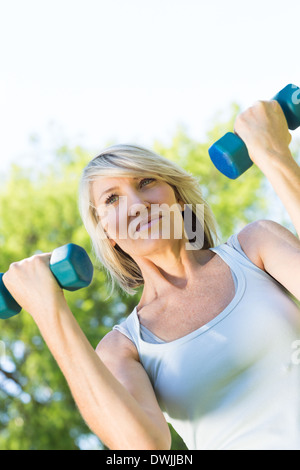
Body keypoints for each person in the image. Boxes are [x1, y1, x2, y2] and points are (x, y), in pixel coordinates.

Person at [3, 99, 300, 450]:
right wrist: (49, 313)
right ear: (107, 234)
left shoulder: (255, 246)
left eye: (146, 182)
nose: (137, 204)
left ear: (176, 196)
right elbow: (143, 450)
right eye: (112, 199)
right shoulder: (123, 348)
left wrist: (273, 155)